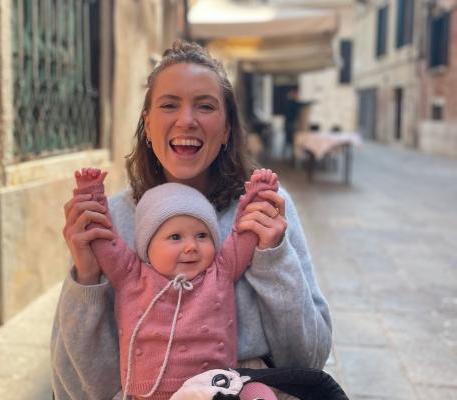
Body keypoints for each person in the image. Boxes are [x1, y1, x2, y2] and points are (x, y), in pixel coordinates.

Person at [52, 39, 332, 400]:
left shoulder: (265, 211)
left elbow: (308, 360)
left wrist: (273, 259)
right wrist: (86, 281)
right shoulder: (111, 222)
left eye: (205, 106)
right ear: (148, 125)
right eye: (169, 105)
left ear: (227, 128)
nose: (187, 120)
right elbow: (80, 389)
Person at [73, 167, 279, 400]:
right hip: (149, 393)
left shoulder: (220, 271)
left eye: (202, 235)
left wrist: (260, 195)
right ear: (147, 246)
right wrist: (91, 194)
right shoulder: (130, 275)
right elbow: (103, 238)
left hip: (215, 388)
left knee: (259, 392)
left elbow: (245, 232)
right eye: (175, 237)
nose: (191, 246)